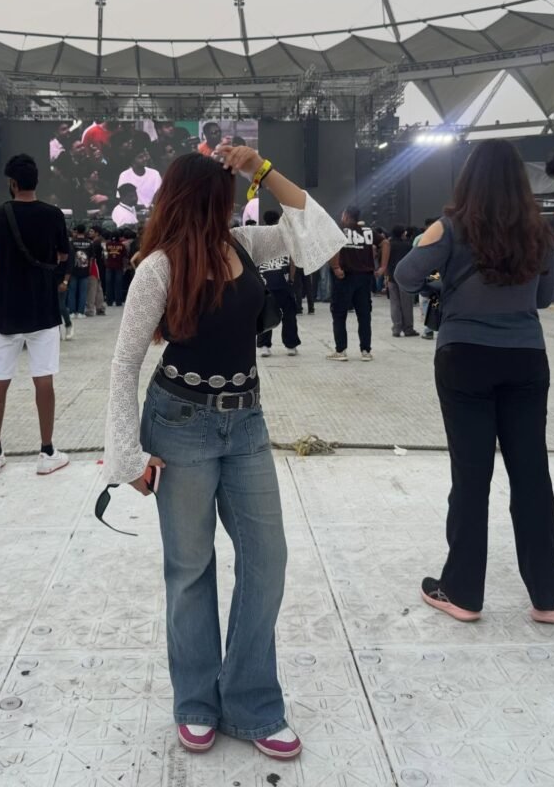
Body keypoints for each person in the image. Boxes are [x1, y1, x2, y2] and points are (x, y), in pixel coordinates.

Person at [104, 146, 345, 759]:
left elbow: (317, 232)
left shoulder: (243, 245)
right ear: (201, 199)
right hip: (179, 424)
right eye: (227, 190)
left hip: (247, 426)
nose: (235, 199)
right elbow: (126, 362)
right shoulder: (157, 267)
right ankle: (195, 700)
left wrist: (261, 166)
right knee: (190, 570)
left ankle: (251, 702)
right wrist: (126, 456)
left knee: (268, 559)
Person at [395, 139, 554, 624]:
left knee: (472, 476)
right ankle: (548, 597)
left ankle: (463, 592)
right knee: (531, 473)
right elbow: (545, 296)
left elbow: (405, 276)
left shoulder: (450, 227)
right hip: (526, 359)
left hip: (464, 358)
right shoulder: (540, 233)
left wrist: (440, 277)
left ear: (469, 179)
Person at [0, 154, 70, 477]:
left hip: (5, 308)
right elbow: (63, 254)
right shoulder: (52, 215)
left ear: (13, 183)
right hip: (42, 307)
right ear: (36, 181)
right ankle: (46, 450)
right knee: (43, 378)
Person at [328, 206, 375, 361]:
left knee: (339, 314)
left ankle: (341, 351)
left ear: (346, 215)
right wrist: (381, 267)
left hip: (345, 277)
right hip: (364, 277)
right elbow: (385, 243)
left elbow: (333, 247)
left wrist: (335, 267)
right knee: (364, 315)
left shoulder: (340, 229)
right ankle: (366, 351)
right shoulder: (367, 231)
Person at [256, 210, 301, 358]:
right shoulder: (284, 236)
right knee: (289, 314)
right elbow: (293, 259)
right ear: (278, 220)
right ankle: (291, 345)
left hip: (265, 282)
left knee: (265, 313)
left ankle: (264, 346)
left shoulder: (259, 237)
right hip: (282, 280)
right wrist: (291, 278)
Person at [379, 225, 419, 338]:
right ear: (402, 233)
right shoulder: (407, 245)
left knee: (394, 303)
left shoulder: (389, 245)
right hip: (405, 277)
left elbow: (384, 262)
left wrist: (386, 277)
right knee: (407, 304)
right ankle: (408, 328)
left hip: (392, 277)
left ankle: (396, 328)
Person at [67, 224, 93, 317]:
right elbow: (91, 258)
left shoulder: (72, 242)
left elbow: (69, 257)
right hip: (85, 270)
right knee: (83, 292)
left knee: (72, 292)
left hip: (73, 270)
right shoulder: (89, 243)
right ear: (85, 231)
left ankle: (72, 312)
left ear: (76, 231)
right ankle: (81, 312)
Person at [103, 230, 127, 307]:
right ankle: (118, 301)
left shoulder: (107, 245)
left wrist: (106, 263)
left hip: (109, 266)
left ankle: (109, 301)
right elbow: (124, 257)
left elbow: (105, 255)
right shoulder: (122, 246)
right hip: (119, 266)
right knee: (118, 284)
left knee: (109, 284)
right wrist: (125, 267)